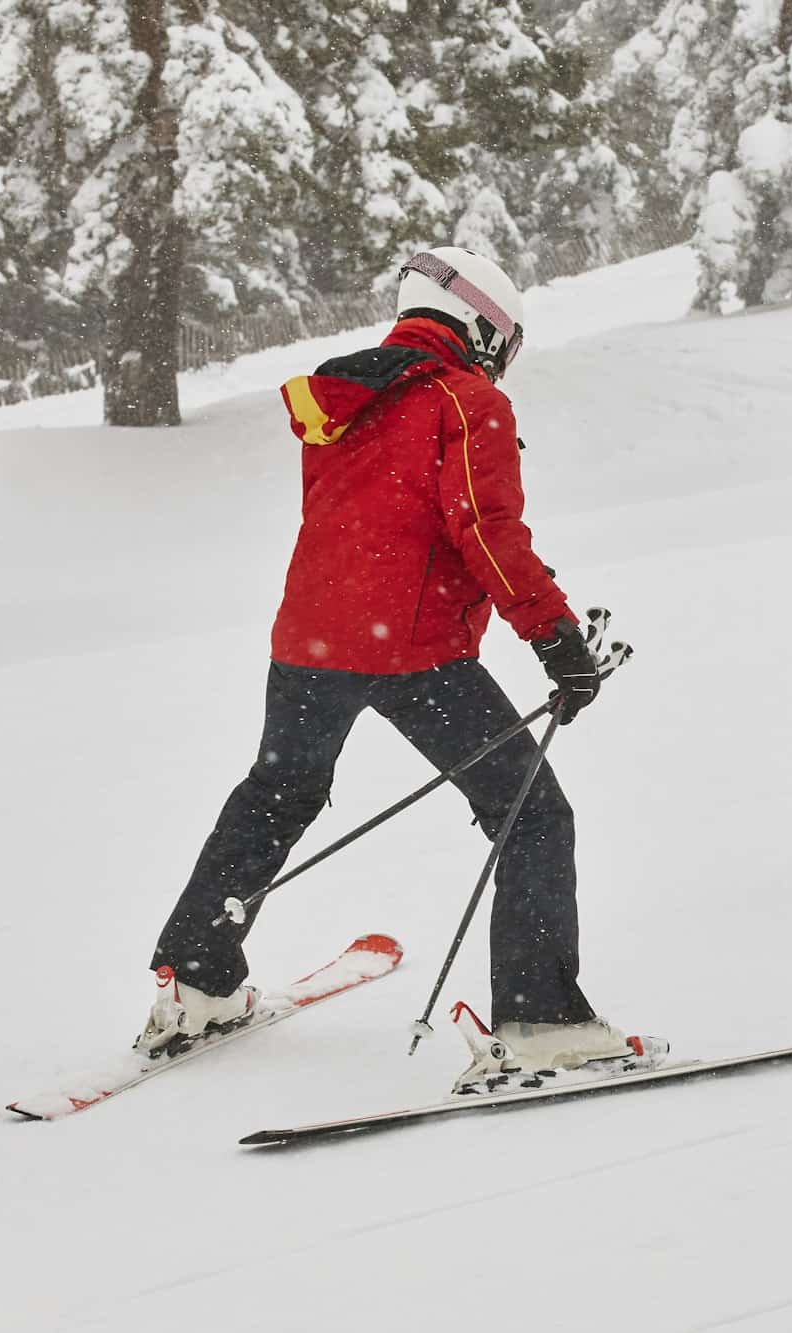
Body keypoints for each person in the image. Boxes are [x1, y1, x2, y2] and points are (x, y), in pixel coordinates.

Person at [141, 246, 648, 1088]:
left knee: (278, 793)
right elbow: (487, 531)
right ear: (484, 325)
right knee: (532, 813)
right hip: (412, 653)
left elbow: (373, 522)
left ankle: (196, 981)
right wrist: (556, 640)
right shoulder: (465, 399)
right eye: (505, 340)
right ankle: (544, 1020)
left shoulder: (343, 396)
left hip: (308, 644)